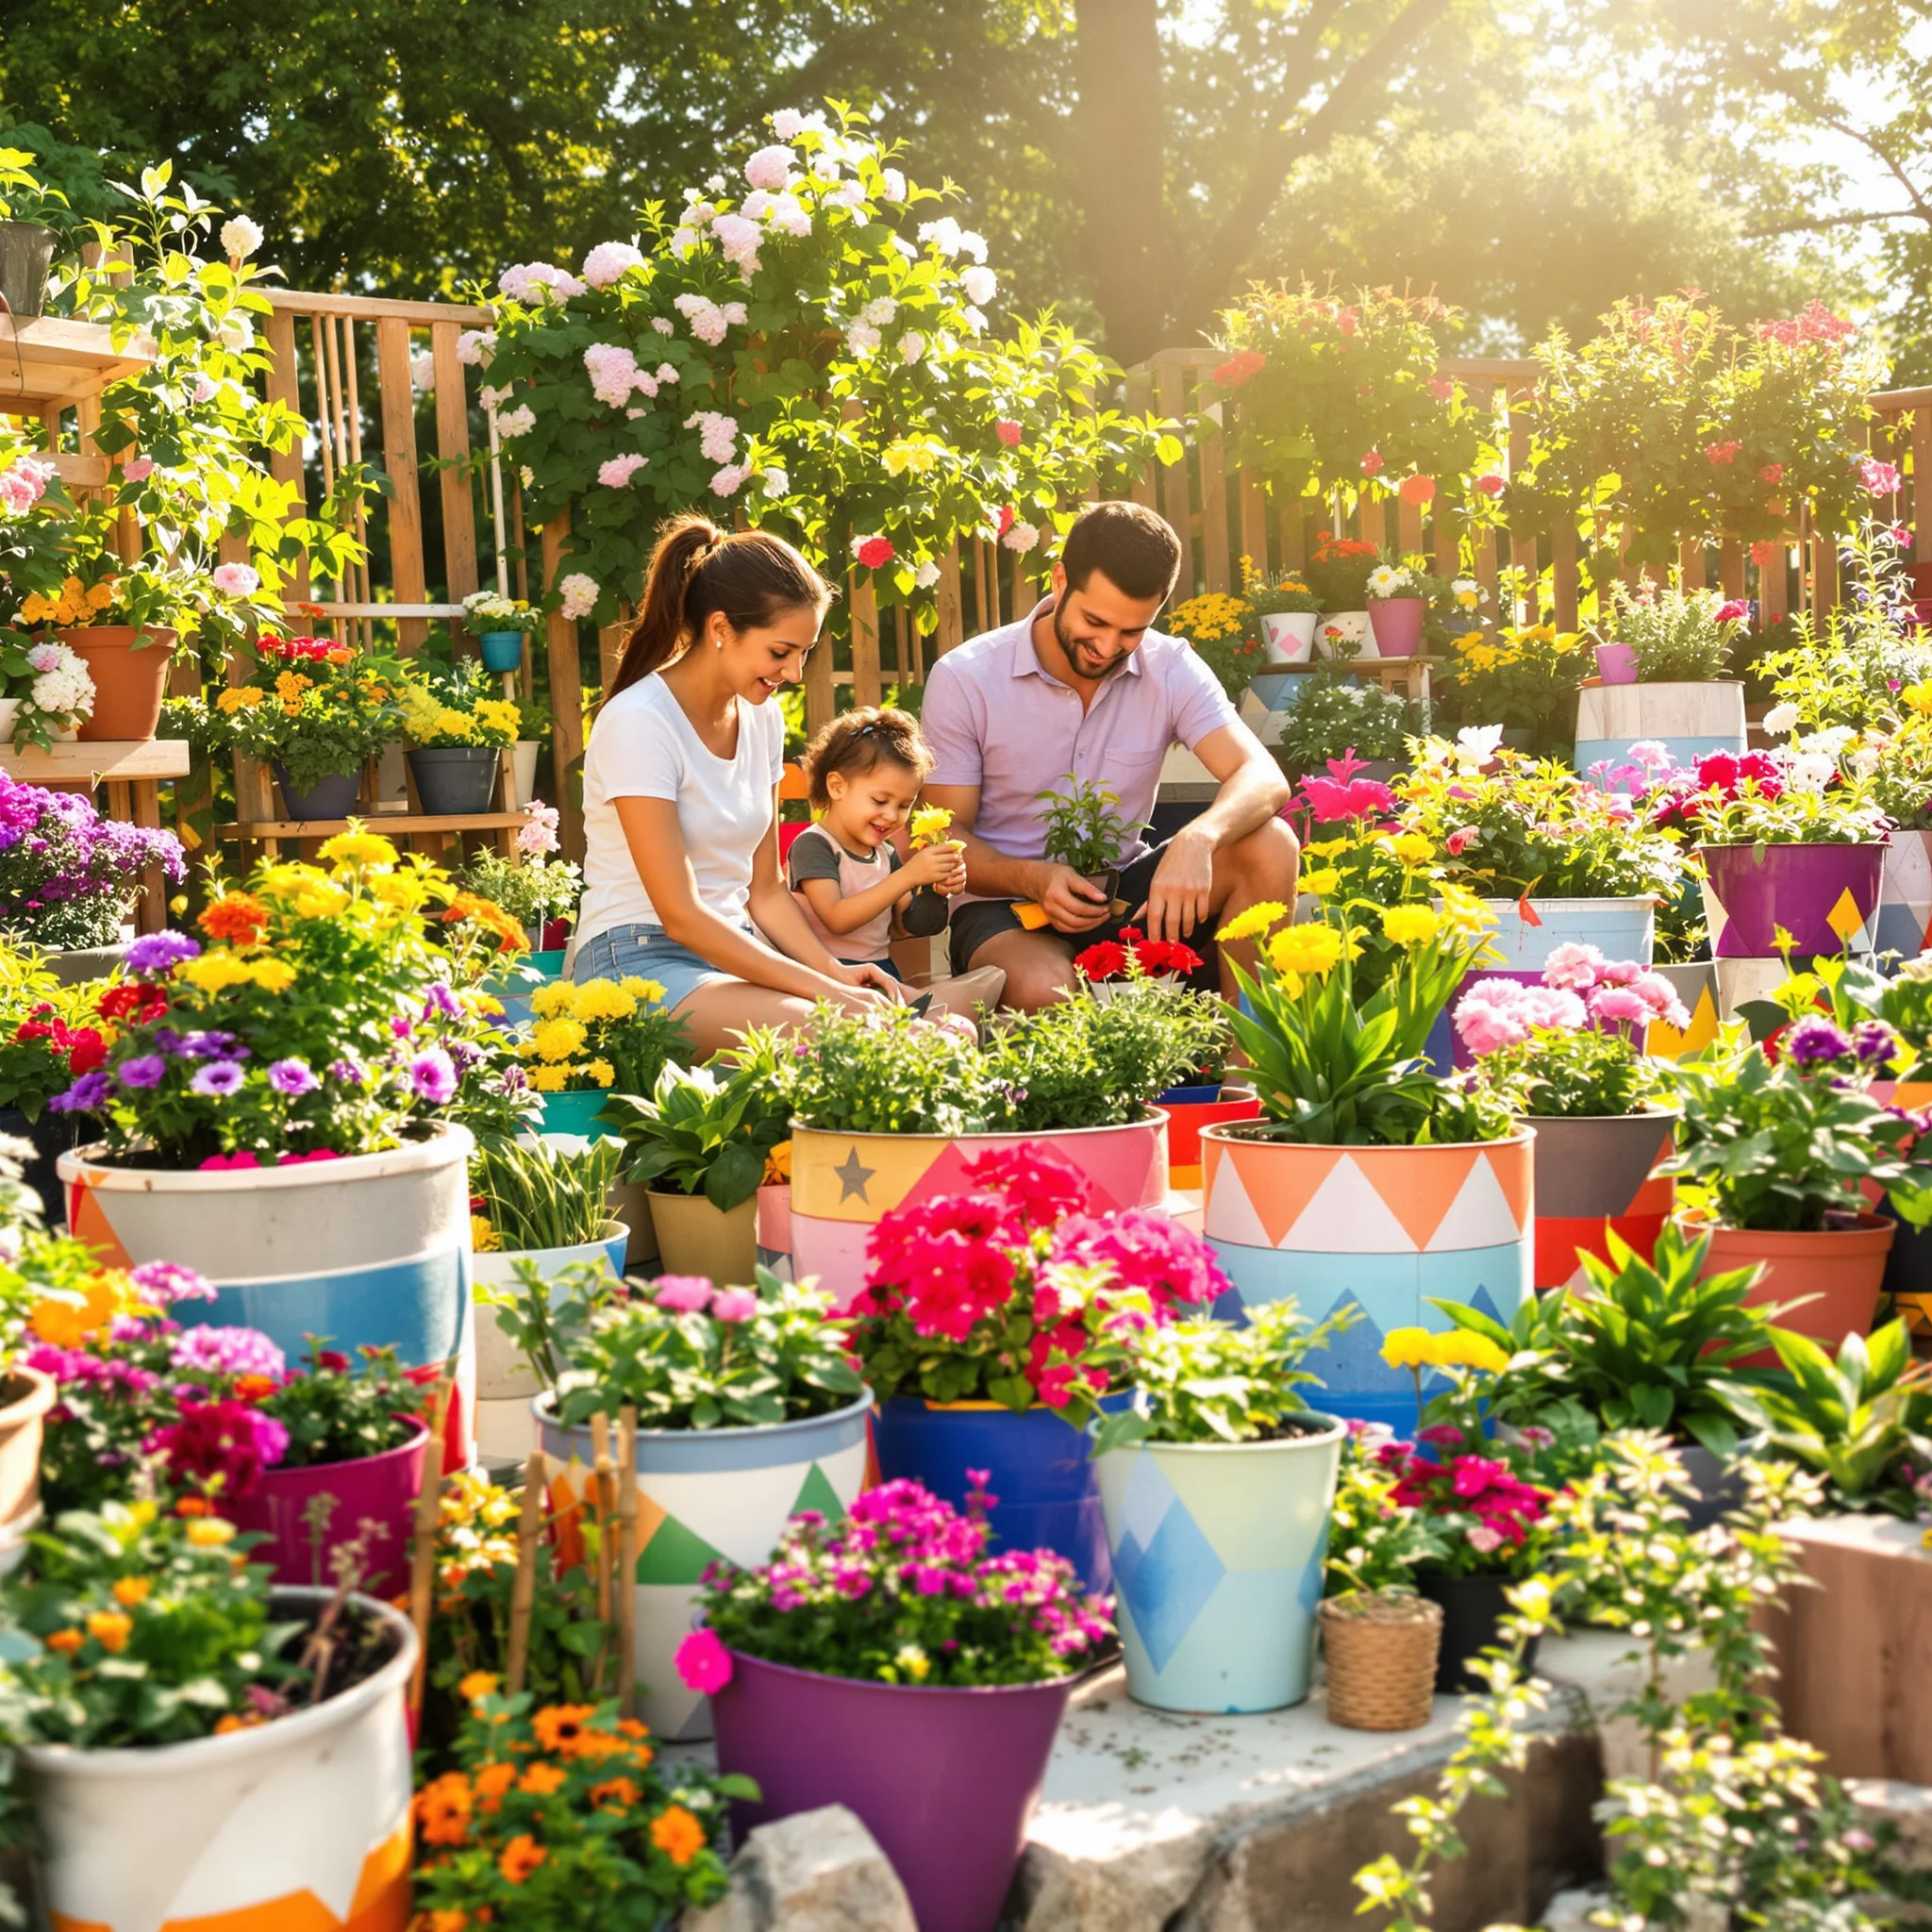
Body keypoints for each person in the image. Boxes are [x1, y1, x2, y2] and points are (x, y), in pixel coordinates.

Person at [920, 499, 1299, 1010]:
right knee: (1045, 990)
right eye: (1094, 621)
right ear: (1059, 582)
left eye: (1131, 631)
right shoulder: (966, 678)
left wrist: (1198, 840)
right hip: (1005, 911)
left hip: (1124, 898)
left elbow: (1263, 776)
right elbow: (947, 833)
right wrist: (1033, 877)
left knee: (1271, 843)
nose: (1106, 645)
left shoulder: (1170, 667)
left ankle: (1245, 1079)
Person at [570, 513, 896, 1059]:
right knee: (843, 1035)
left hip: (731, 953)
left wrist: (833, 970)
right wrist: (829, 994)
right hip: (633, 962)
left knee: (916, 1024)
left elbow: (764, 890)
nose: (794, 672)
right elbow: (681, 915)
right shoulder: (640, 722)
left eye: (804, 653)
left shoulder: (762, 719)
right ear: (721, 628)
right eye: (780, 652)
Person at [787, 706, 968, 974]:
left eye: (905, 805)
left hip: (879, 968)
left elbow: (905, 927)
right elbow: (837, 919)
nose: (891, 815)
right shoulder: (814, 845)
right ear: (837, 786)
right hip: (823, 972)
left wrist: (934, 890)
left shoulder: (885, 853)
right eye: (880, 801)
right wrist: (907, 877)